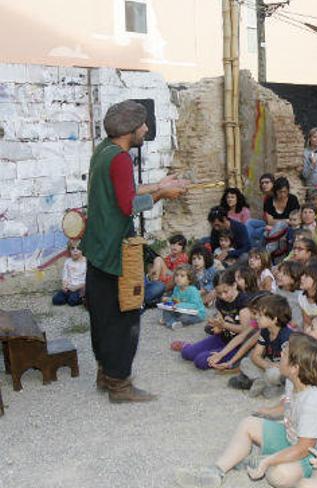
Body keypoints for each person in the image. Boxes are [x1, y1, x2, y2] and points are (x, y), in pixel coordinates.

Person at [80, 99, 187, 402]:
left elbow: (123, 190)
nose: (146, 129)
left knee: (101, 315)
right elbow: (129, 205)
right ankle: (119, 385)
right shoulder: (121, 159)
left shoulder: (105, 151)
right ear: (129, 129)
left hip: (97, 248)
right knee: (124, 317)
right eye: (142, 125)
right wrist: (163, 194)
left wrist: (157, 184)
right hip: (116, 251)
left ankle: (106, 373)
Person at [175, 333, 317, 488]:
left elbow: (304, 448)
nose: (280, 355)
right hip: (292, 438)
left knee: (278, 476)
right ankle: (216, 471)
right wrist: (267, 412)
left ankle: (259, 458)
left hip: (316, 454)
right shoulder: (293, 381)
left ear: (295, 367)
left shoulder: (313, 401)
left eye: (284, 354)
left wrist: (269, 461)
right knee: (248, 423)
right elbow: (289, 406)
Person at [174, 270, 254, 370]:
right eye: (219, 293)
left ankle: (217, 354)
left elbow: (244, 331)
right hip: (223, 338)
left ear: (234, 285)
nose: (223, 296)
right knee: (186, 353)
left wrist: (224, 325)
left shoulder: (243, 302)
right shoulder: (220, 301)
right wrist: (216, 325)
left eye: (226, 292)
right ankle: (190, 347)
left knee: (200, 361)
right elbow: (220, 321)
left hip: (238, 346)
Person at [228, 294, 294, 398]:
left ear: (274, 319)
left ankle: (269, 384)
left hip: (283, 369)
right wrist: (267, 365)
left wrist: (271, 367)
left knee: (273, 374)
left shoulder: (286, 336)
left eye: (260, 315)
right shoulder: (265, 330)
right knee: (245, 362)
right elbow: (255, 356)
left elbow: (288, 366)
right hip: (270, 364)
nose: (256, 317)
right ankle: (264, 382)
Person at [53, 240, 87, 306]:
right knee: (56, 300)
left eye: (78, 248)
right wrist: (64, 285)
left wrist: (77, 287)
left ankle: (81, 297)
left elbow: (87, 280)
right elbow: (65, 276)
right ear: (69, 250)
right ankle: (69, 297)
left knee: (72, 301)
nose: (75, 250)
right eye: (72, 248)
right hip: (69, 288)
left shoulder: (85, 262)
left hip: (79, 289)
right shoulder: (68, 262)